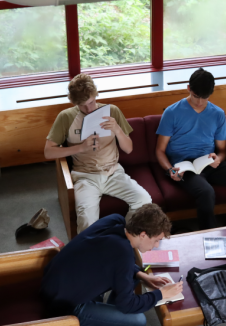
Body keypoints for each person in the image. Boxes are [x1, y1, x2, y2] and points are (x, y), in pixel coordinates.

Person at [40, 204, 183, 326]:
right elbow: (127, 305)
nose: (157, 245)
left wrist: (143, 276)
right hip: (63, 305)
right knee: (138, 321)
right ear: (143, 235)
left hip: (55, 283)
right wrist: (161, 294)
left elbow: (115, 261)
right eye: (157, 240)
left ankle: (108, 323)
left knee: (134, 276)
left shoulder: (115, 220)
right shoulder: (123, 253)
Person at [155, 68, 226, 230]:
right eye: (196, 96)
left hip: (207, 162)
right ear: (188, 88)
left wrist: (218, 158)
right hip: (184, 167)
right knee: (206, 192)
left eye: (204, 97)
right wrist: (170, 169)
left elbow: (222, 150)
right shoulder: (172, 112)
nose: (199, 102)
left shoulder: (218, 114)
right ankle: (210, 233)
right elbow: (160, 151)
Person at [44, 73, 151, 233]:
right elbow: (48, 152)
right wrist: (80, 147)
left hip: (113, 172)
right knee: (87, 219)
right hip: (85, 176)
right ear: (74, 103)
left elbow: (128, 148)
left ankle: (124, 237)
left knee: (144, 201)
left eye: (92, 102)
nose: (89, 109)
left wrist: (117, 130)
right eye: (82, 105)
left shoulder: (112, 111)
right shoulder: (66, 117)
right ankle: (92, 251)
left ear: (96, 95)